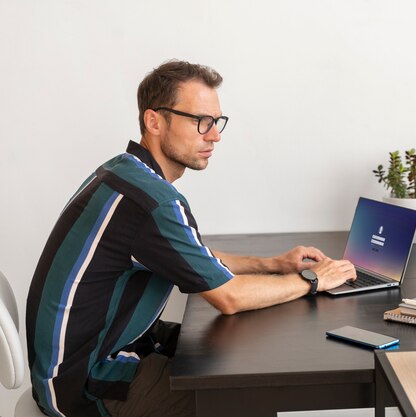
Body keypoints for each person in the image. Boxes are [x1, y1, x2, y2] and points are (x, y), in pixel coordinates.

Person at [26, 59, 356, 417]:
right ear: (154, 121)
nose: (214, 135)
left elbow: (189, 254)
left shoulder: (123, 172)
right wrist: (312, 280)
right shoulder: (152, 202)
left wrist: (273, 264)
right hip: (83, 381)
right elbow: (228, 297)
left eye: (217, 122)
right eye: (201, 121)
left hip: (89, 355)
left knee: (229, 356)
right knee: (248, 395)